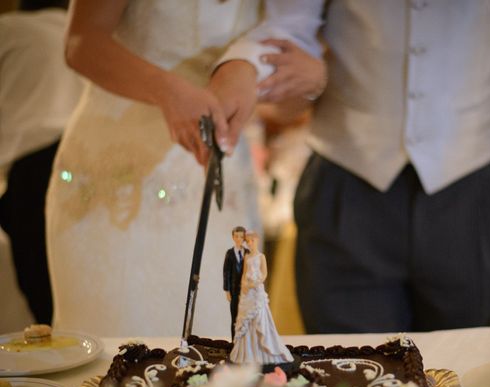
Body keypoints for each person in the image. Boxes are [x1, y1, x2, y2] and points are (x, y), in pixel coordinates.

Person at [209, 1, 490, 334]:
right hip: (345, 182)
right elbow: (287, 25)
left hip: (473, 189)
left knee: (460, 377)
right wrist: (242, 66)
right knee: (351, 376)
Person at [46, 0, 325, 337]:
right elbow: (81, 43)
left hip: (220, 184)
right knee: (113, 354)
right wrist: (165, 90)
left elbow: (282, 108)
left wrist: (313, 80)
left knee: (221, 351)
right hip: (117, 186)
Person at [0, 0, 83, 326]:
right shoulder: (78, 33)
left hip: (29, 166)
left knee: (32, 270)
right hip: (77, 159)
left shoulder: (10, 29)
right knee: (64, 272)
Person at [230, 231, 293, 365]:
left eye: (252, 241)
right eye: (248, 241)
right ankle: (246, 351)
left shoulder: (261, 256)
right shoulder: (247, 257)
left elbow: (264, 274)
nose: (250, 243)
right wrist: (244, 285)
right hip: (247, 290)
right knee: (245, 318)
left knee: (259, 315)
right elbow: (244, 273)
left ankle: (262, 348)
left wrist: (256, 282)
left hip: (256, 289)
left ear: (257, 241)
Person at [223, 226, 248, 339]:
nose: (239, 239)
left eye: (241, 236)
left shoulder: (247, 252)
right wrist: (227, 290)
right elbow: (226, 272)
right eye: (236, 236)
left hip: (245, 290)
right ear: (233, 237)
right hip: (233, 290)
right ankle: (234, 341)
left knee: (245, 316)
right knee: (234, 317)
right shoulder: (229, 253)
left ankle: (244, 341)